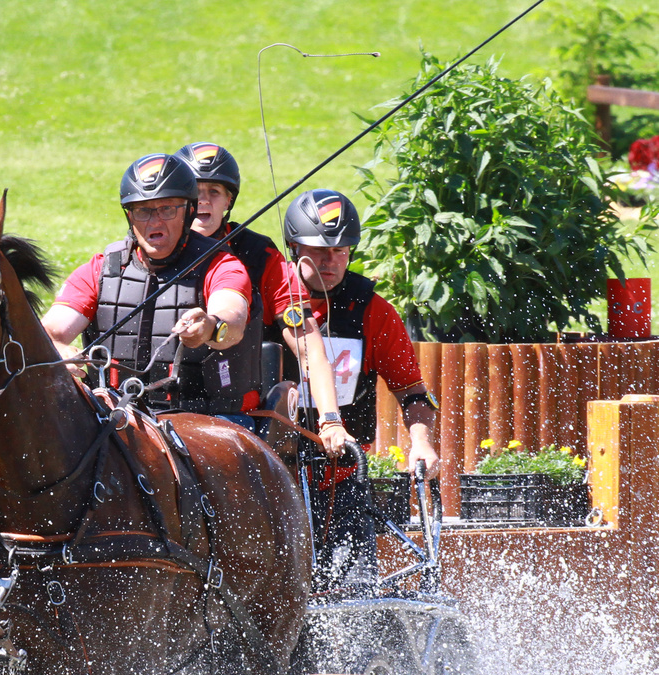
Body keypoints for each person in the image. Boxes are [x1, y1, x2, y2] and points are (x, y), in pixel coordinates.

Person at [282, 189, 440, 588]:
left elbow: (414, 393)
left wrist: (421, 442)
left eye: (340, 250)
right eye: (317, 250)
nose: (329, 260)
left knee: (356, 600)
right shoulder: (269, 301)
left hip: (343, 482)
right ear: (293, 246)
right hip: (274, 483)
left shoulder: (374, 312)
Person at [43, 152, 256, 421]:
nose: (154, 222)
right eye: (143, 210)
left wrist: (210, 326)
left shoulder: (221, 264)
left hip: (204, 419)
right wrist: (58, 350)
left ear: (189, 211)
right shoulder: (101, 269)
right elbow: (50, 331)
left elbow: (233, 322)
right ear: (130, 216)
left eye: (167, 209)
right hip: (113, 416)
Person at [178, 141, 336, 420]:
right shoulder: (148, 250)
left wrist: (331, 419)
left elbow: (308, 345)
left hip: (235, 414)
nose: (203, 200)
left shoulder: (261, 258)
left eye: (214, 192)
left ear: (229, 201)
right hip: (154, 406)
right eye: (194, 191)